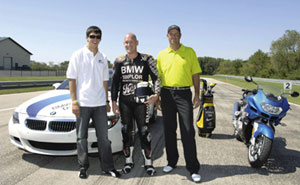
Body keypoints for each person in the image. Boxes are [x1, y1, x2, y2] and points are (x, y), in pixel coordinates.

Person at [67, 26, 121, 179]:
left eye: (97, 37)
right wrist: (74, 102)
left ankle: (108, 167)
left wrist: (106, 100)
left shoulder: (103, 57)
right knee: (81, 137)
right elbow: (72, 80)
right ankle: (83, 167)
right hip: (83, 103)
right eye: (92, 36)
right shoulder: (77, 55)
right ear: (86, 38)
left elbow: (105, 81)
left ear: (101, 39)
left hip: (99, 104)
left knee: (103, 138)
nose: (95, 39)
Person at [156, 25, 202, 182]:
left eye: (176, 34)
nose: (174, 36)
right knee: (169, 130)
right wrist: (157, 97)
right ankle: (172, 162)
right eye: (171, 34)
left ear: (180, 36)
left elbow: (196, 74)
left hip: (183, 94)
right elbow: (158, 78)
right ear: (167, 36)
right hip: (166, 94)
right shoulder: (162, 54)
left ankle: (193, 168)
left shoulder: (189, 52)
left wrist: (197, 95)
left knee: (187, 130)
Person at [111, 33, 160, 176]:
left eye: (131, 42)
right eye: (126, 42)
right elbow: (114, 84)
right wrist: (114, 103)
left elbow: (157, 78)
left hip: (142, 102)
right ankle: (128, 161)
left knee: (144, 131)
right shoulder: (119, 60)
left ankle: (148, 163)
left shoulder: (146, 59)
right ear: (123, 44)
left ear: (137, 43)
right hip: (125, 102)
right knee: (126, 131)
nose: (129, 45)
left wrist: (156, 95)